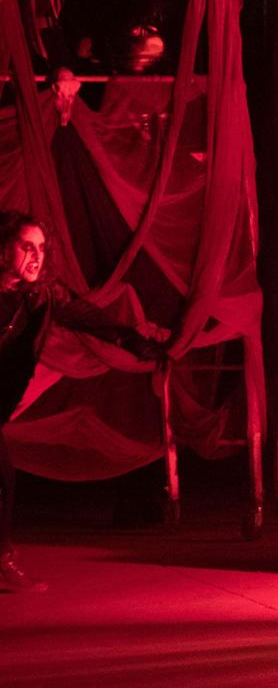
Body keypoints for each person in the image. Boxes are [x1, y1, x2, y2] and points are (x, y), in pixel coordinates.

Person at [1, 212, 168, 592]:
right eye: (26, 246)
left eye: (41, 248)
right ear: (2, 248)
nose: (36, 256)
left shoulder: (41, 295)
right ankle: (4, 563)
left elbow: (86, 317)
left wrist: (130, 340)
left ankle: (3, 563)